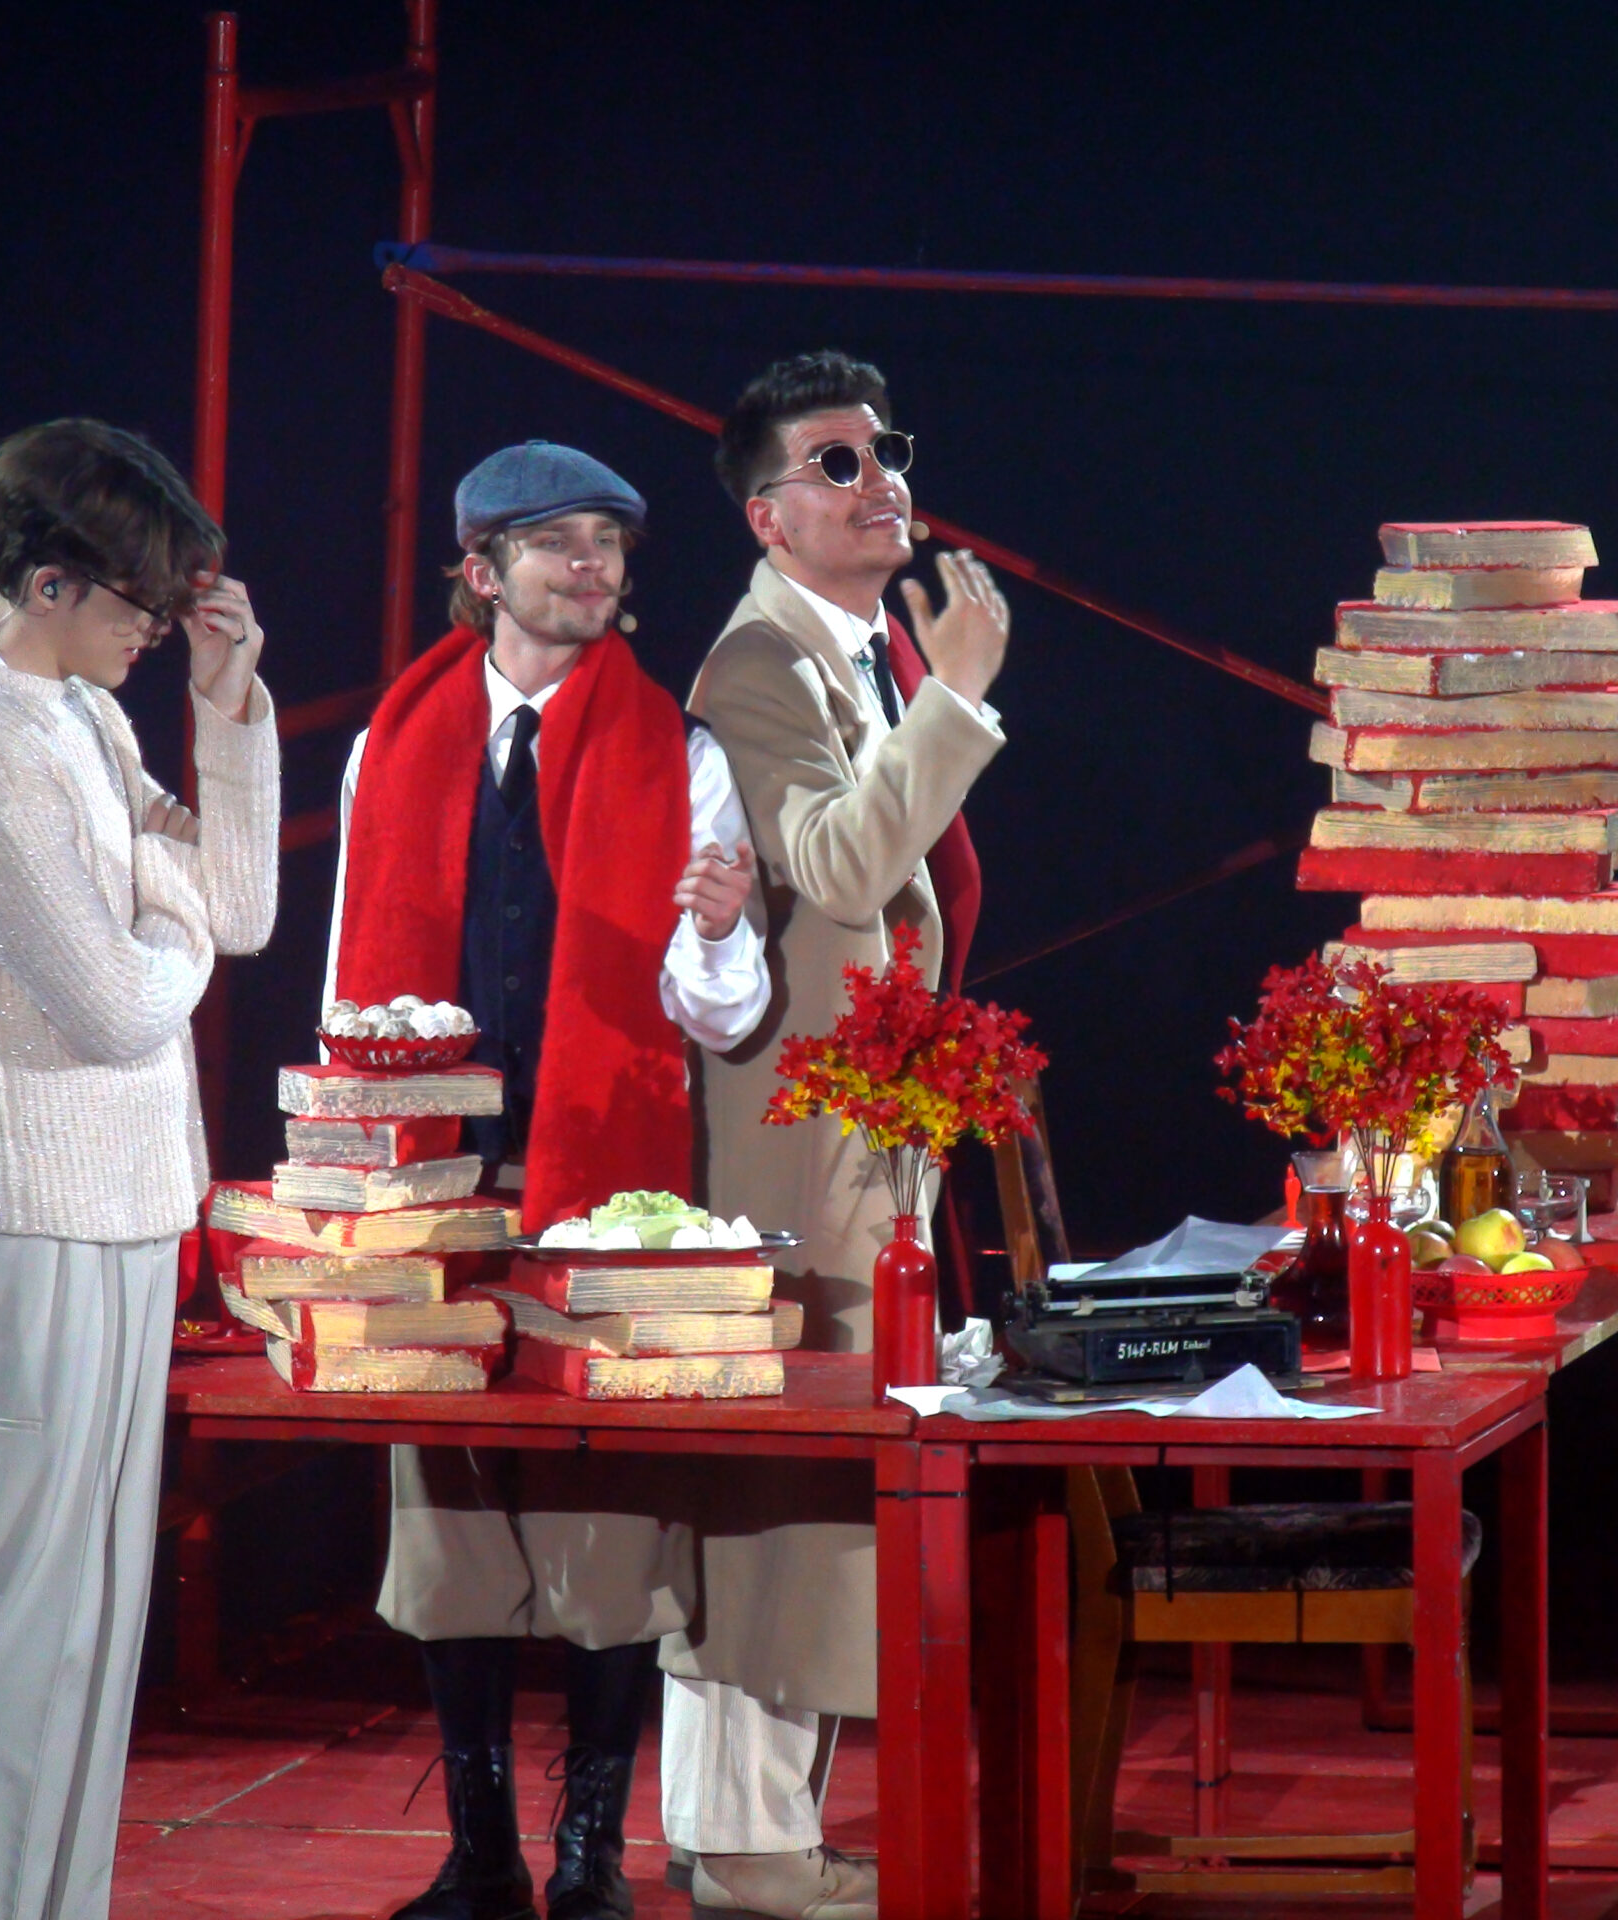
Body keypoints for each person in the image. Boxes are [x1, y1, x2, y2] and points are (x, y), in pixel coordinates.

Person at [323, 442, 768, 1920]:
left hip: (606, 1173)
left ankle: (590, 1857)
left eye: (609, 545)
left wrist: (721, 928)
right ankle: (481, 1853)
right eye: (558, 542)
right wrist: (349, 1160)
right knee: (448, 1513)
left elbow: (721, 1015)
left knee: (609, 1515)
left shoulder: (677, 751)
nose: (592, 567)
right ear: (480, 569)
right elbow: (347, 981)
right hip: (437, 1170)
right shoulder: (394, 742)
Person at [0, 417, 280, 1917]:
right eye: (143, 608)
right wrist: (167, 925)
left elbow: (239, 908)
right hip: (16, 1204)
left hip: (120, 1201)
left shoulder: (86, 719)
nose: (157, 635)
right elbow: (115, 999)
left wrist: (228, 710)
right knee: (18, 1611)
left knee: (98, 1613)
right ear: (50, 583)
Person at [671, 351, 1007, 1919]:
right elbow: (842, 866)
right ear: (768, 514)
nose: (881, 483)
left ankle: (765, 1835)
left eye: (886, 452)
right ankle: (743, 1846)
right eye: (838, 463)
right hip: (792, 1143)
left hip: (861, 1131)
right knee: (777, 1489)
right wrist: (958, 701)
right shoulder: (757, 666)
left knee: (822, 1482)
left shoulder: (847, 653)